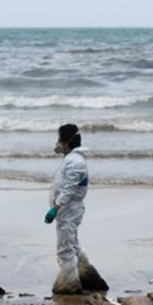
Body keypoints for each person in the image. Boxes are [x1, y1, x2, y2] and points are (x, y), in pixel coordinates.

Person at [44, 123, 108, 295]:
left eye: (59, 139)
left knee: (65, 248)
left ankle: (69, 286)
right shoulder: (71, 159)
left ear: (66, 142)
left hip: (69, 210)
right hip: (67, 210)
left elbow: (70, 189)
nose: (57, 143)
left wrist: (56, 207)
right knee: (72, 243)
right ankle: (88, 277)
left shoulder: (75, 162)